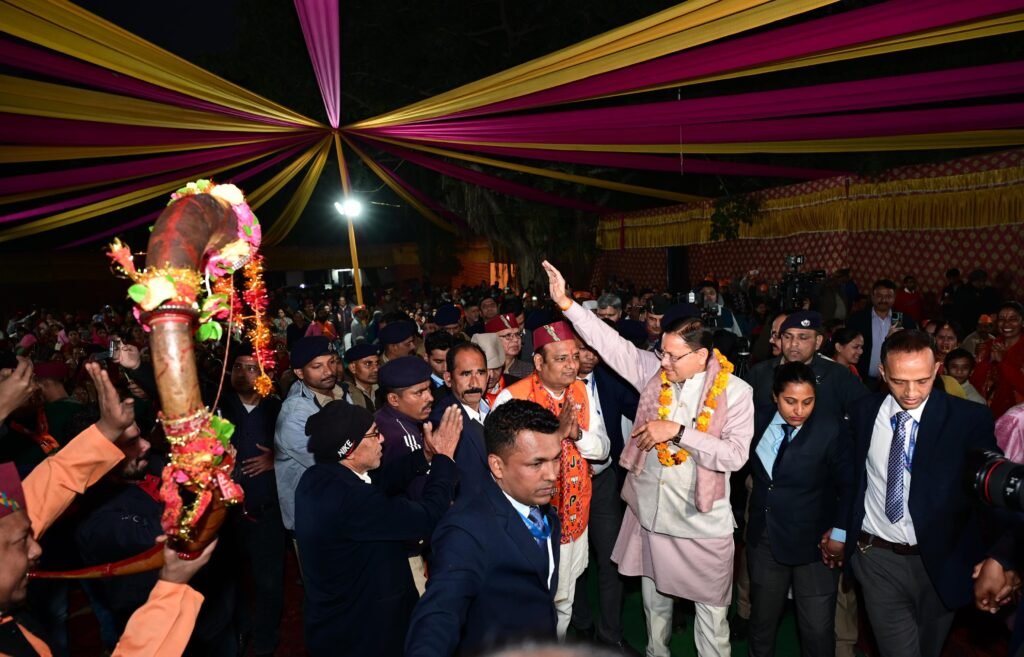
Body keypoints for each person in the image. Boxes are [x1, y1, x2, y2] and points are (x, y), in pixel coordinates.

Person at [543, 261, 753, 657]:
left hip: (702, 523)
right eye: (662, 353)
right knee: (655, 609)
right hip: (653, 516)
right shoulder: (654, 374)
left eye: (673, 356)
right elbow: (611, 344)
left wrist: (677, 432)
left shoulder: (737, 392)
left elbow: (736, 456)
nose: (663, 362)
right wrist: (567, 304)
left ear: (702, 355)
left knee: (712, 618)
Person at [0, 362, 217, 657]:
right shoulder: (101, 517)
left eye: (28, 534)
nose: (36, 548)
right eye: (19, 541)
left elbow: (53, 481)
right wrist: (171, 587)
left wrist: (106, 431)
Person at [847, 329, 998, 657]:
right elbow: (848, 479)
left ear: (937, 369)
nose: (911, 392)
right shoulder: (862, 412)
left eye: (922, 380)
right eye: (899, 381)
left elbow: (991, 493)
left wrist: (1000, 556)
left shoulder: (968, 419)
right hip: (877, 557)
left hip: (942, 561)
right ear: (883, 372)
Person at [295, 400, 461, 657]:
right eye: (374, 434)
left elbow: (378, 481)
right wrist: (444, 459)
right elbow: (427, 516)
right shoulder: (353, 500)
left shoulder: (318, 477)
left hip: (337, 622)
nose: (382, 438)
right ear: (350, 450)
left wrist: (425, 456)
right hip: (366, 632)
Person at [405, 400, 563, 657]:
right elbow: (439, 614)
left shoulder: (543, 510)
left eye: (556, 459)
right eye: (536, 464)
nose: (552, 474)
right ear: (497, 466)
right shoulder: (466, 530)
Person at [493, 321, 609, 638]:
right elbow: (499, 465)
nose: (572, 365)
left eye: (574, 356)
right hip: (530, 523)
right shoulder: (512, 397)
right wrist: (556, 435)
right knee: (531, 599)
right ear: (538, 361)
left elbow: (603, 450)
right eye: (561, 358)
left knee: (565, 597)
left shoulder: (582, 391)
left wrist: (577, 435)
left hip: (574, 515)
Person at [746, 362, 854, 657]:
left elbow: (850, 486)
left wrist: (840, 533)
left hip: (815, 546)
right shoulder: (757, 420)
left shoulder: (831, 429)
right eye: (790, 401)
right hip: (765, 540)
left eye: (808, 402)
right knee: (762, 624)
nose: (799, 410)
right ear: (774, 396)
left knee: (817, 630)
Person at [569, 335, 641, 655]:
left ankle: (610, 634)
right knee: (574, 560)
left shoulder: (610, 380)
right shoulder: (554, 385)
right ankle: (581, 624)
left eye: (594, 350)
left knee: (612, 558)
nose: (587, 356)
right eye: (581, 349)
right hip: (566, 486)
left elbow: (643, 406)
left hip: (602, 482)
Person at [217, 348, 285, 657]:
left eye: (251, 367)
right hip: (225, 514)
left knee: (269, 582)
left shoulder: (276, 409)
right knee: (230, 581)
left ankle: (265, 639)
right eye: (238, 367)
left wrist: (276, 458)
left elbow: (300, 449)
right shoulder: (218, 405)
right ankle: (240, 630)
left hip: (266, 511)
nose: (243, 373)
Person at [274, 336, 344, 540]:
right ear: (299, 372)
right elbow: (332, 463)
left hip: (342, 509)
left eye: (332, 362)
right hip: (313, 521)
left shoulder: (340, 393)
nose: (329, 371)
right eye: (317, 366)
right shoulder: (295, 415)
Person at [428, 342, 492, 497]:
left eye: (480, 373)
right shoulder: (443, 421)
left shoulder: (492, 411)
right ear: (448, 379)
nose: (474, 383)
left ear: (488, 375)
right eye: (465, 374)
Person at [847, 279, 918, 387]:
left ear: (894, 298)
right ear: (872, 296)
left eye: (888, 296)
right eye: (879, 296)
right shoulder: (858, 319)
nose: (883, 300)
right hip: (862, 379)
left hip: (895, 380)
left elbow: (913, 348)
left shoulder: (903, 320)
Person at [973, 301, 1024, 418]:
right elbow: (974, 382)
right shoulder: (989, 345)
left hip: (1017, 417)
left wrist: (1003, 362)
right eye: (1002, 319)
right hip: (988, 412)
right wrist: (989, 360)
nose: (1006, 323)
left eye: (1013, 319)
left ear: (1022, 322)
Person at [486, 312, 534, 382]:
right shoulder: (484, 370)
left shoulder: (529, 371)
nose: (516, 339)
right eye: (508, 335)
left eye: (517, 334)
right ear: (493, 340)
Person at [342, 343, 381, 412]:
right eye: (368, 364)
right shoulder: (345, 395)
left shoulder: (384, 388)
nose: (376, 369)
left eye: (377, 363)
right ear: (353, 368)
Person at [424, 330, 455, 405]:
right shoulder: (422, 386)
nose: (445, 367)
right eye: (438, 362)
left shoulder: (461, 378)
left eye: (449, 360)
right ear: (426, 357)